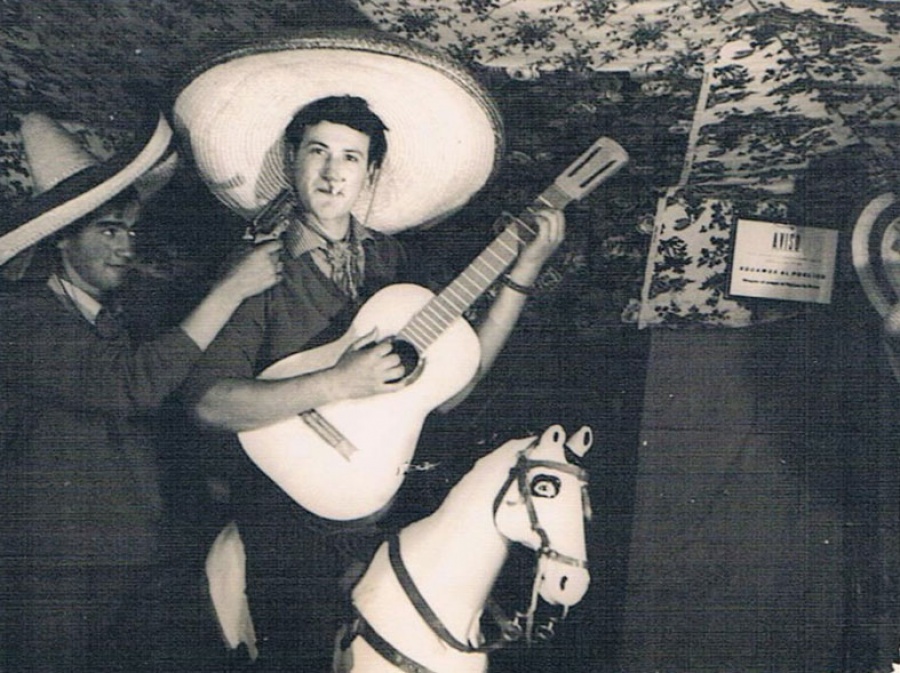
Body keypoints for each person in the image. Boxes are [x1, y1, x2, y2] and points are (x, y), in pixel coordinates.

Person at [173, 33, 567, 671]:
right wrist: (337, 383)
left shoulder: (389, 261)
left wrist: (522, 273)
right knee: (298, 646)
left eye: (351, 158)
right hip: (284, 489)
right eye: (318, 152)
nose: (333, 173)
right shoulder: (254, 268)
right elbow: (211, 405)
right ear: (291, 160)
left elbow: (452, 380)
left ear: (370, 172)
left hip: (376, 480)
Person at [0, 110, 283, 673]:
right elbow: (132, 384)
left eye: (131, 230)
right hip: (49, 576)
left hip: (130, 568)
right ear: (61, 240)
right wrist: (230, 291)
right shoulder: (21, 315)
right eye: (108, 230)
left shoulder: (114, 318)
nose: (127, 247)